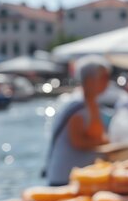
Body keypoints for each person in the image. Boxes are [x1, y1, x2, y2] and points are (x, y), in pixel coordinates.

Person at [45, 55, 110, 186]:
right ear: (91, 80)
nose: (107, 82)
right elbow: (79, 141)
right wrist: (105, 142)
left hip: (73, 179)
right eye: (104, 78)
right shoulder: (79, 107)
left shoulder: (85, 103)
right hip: (65, 181)